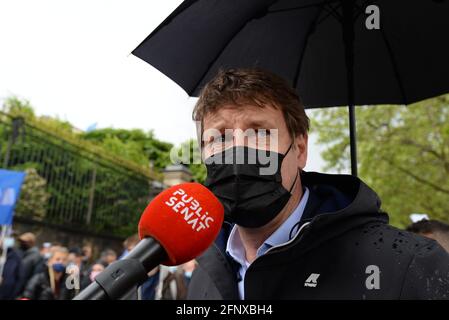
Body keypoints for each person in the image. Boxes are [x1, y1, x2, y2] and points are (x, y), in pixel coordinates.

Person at [187, 68, 449, 300]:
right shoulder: (206, 276)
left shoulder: (408, 266)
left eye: (260, 132)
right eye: (219, 138)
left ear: (300, 149)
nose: (238, 149)